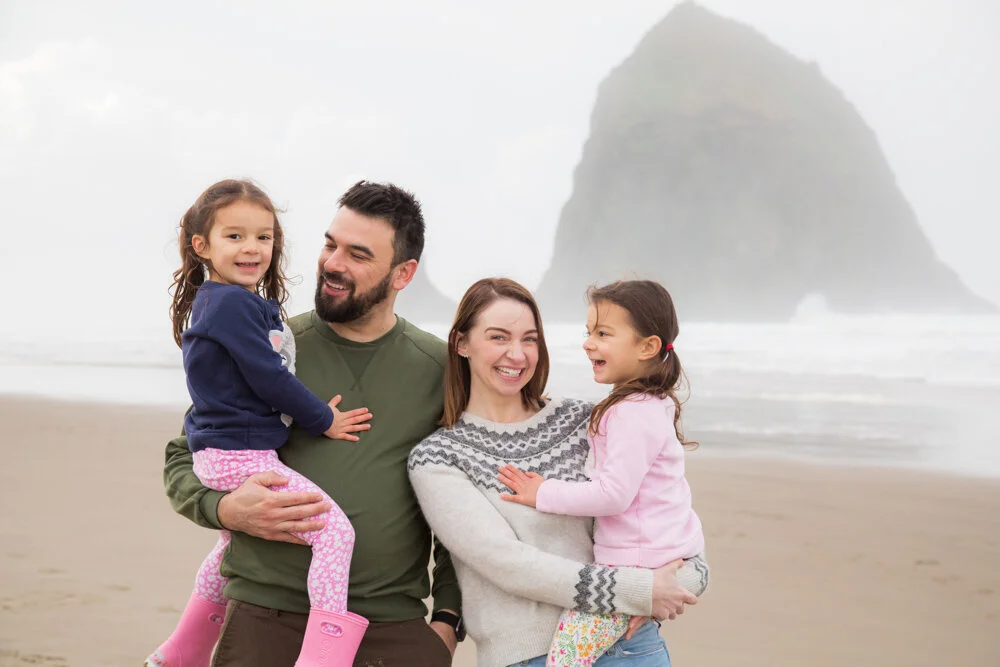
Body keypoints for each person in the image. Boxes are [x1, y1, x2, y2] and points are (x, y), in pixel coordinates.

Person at [160, 180, 461, 667]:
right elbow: (186, 451)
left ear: (403, 273)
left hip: (395, 627)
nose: (333, 263)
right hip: (265, 618)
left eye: (358, 254)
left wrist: (448, 617)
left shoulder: (440, 368)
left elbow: (462, 503)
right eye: (329, 244)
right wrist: (223, 509)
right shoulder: (272, 342)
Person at [407, 278, 707, 667]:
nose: (517, 354)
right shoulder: (439, 458)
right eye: (499, 337)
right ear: (461, 343)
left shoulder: (588, 420)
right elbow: (508, 564)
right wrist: (641, 590)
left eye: (529, 339)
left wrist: (680, 584)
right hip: (529, 656)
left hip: (631, 644)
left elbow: (668, 520)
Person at [147, 179, 376, 667]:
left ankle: (179, 654)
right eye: (235, 236)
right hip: (239, 456)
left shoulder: (229, 302)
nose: (252, 248)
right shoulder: (229, 304)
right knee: (336, 534)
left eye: (264, 237)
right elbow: (268, 377)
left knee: (227, 552)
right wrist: (323, 418)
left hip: (224, 452)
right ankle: (323, 660)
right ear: (201, 245)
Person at [498, 280, 707, 666]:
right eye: (589, 332)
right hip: (654, 562)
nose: (588, 343)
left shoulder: (629, 411)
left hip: (633, 569)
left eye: (603, 333)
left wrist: (542, 492)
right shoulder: (649, 403)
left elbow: (613, 495)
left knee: (564, 658)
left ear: (648, 346)